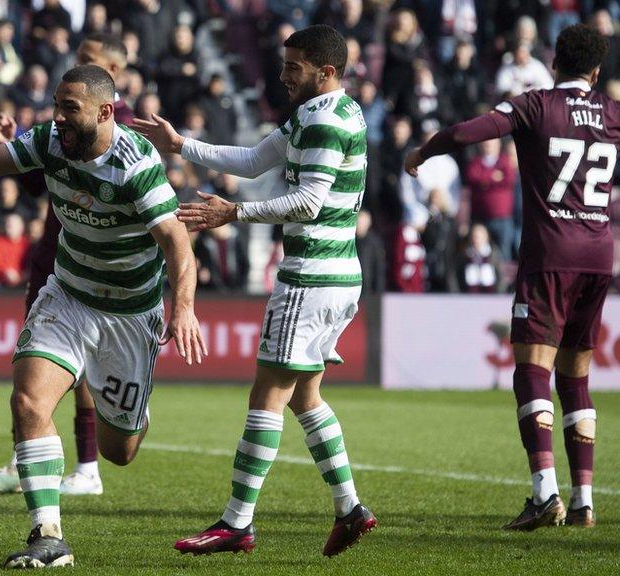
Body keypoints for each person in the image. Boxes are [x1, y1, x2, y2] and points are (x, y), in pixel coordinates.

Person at [0, 64, 205, 569]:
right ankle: (47, 534)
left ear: (105, 111)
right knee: (28, 402)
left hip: (129, 314)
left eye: (70, 109)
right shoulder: (49, 140)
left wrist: (184, 308)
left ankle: (131, 412)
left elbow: (178, 242)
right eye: (56, 106)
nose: (58, 118)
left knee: (121, 450)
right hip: (68, 295)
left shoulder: (135, 166)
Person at [134, 24, 376, 558]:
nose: (283, 75)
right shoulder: (332, 111)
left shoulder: (322, 122)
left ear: (325, 71)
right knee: (306, 397)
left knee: (266, 394)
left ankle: (237, 522)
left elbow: (309, 201)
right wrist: (181, 146)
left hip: (311, 277)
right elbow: (253, 160)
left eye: (294, 68)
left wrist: (234, 212)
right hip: (337, 275)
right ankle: (350, 508)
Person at [405, 23, 620, 530]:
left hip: (549, 256)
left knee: (532, 371)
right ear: (598, 71)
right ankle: (584, 500)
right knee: (577, 376)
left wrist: (423, 152)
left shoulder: (534, 105)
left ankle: (545, 495)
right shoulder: (619, 113)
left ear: (554, 61)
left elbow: (466, 132)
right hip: (601, 257)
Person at [0, 32, 135, 498]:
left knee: (72, 368)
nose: (75, 64)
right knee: (31, 365)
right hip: (52, 255)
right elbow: (35, 186)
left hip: (95, 270)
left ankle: (85, 466)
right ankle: (42, 462)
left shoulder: (125, 137)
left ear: (112, 74)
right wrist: (12, 151)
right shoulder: (61, 126)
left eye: (87, 60)